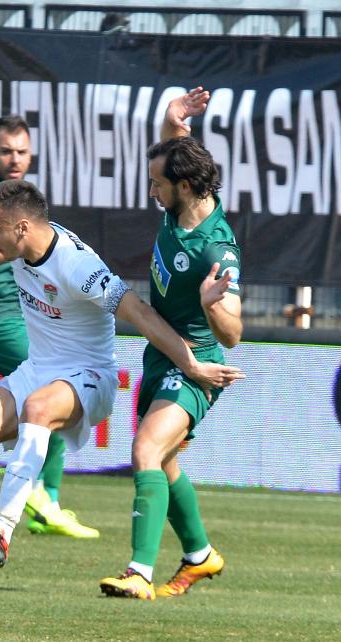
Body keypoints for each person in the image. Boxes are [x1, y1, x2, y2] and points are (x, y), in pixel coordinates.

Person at [0, 178, 243, 588]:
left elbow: (139, 312)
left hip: (89, 376)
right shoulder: (18, 240)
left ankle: (1, 530)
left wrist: (190, 363)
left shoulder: (77, 266)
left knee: (38, 407)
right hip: (38, 369)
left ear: (21, 228)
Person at [99, 87, 243, 600]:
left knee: (145, 449)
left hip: (196, 364)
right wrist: (172, 118)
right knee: (164, 461)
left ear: (184, 187)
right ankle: (200, 556)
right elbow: (170, 156)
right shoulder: (179, 205)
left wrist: (212, 305)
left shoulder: (216, 249)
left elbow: (233, 333)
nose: (151, 191)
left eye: (157, 184)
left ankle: (138, 572)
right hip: (161, 356)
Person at [0, 114, 98, 538]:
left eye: (21, 152)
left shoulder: (13, 198)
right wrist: (14, 248)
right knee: (56, 386)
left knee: (50, 397)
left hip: (20, 315)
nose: (14, 159)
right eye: (5, 151)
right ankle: (42, 499)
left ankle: (39, 496)